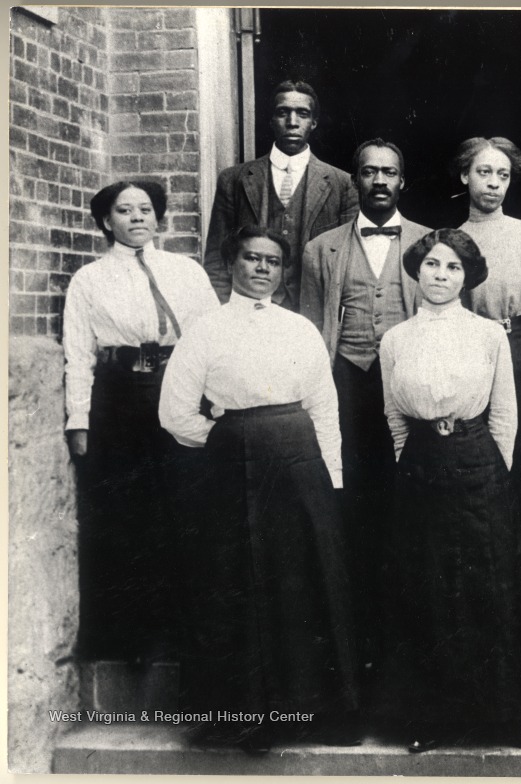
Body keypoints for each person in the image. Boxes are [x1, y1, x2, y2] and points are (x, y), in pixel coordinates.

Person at [158, 225, 360, 754]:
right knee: (235, 580)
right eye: (252, 258)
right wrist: (228, 440)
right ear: (233, 262)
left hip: (299, 466)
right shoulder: (205, 329)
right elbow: (175, 412)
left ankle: (308, 709)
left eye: (273, 261)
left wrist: (330, 477)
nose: (263, 269)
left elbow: (323, 406)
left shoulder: (299, 329)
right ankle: (237, 713)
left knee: (299, 581)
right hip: (232, 467)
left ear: (283, 270)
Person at [377, 228, 521, 753]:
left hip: (478, 463)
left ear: (467, 277)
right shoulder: (396, 339)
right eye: (432, 265)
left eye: (452, 268)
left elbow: (504, 414)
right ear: (417, 270)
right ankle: (429, 719)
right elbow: (394, 415)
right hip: (422, 465)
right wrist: (415, 459)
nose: (440, 276)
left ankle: (506, 717)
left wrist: (491, 470)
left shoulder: (487, 334)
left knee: (490, 581)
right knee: (428, 582)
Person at [63, 180, 219, 665]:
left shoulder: (186, 271)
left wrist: (214, 402)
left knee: (184, 507)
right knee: (127, 510)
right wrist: (80, 420)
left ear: (159, 218)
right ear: (106, 221)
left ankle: (187, 634)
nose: (136, 218)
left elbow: (214, 337)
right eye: (124, 210)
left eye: (145, 209)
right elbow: (78, 355)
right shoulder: (89, 280)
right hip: (120, 399)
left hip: (177, 387)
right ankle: (131, 640)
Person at [299, 138, 430, 668]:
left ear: (403, 182)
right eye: (369, 172)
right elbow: (310, 329)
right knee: (351, 492)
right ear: (354, 181)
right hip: (346, 382)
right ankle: (356, 621)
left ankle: (405, 616)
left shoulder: (428, 242)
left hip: (405, 380)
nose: (380, 181)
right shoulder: (320, 249)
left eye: (390, 173)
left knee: (406, 491)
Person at [452, 136, 521, 635]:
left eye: (501, 175)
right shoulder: (448, 242)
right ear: (464, 178)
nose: (492, 184)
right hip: (472, 361)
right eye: (483, 173)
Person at [203, 79, 359, 309]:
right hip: (249, 310)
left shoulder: (343, 184)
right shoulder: (234, 179)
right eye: (283, 112)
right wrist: (225, 314)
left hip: (312, 312)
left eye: (302, 114)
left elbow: (349, 263)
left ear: (314, 122)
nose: (292, 122)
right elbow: (217, 260)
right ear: (271, 120)